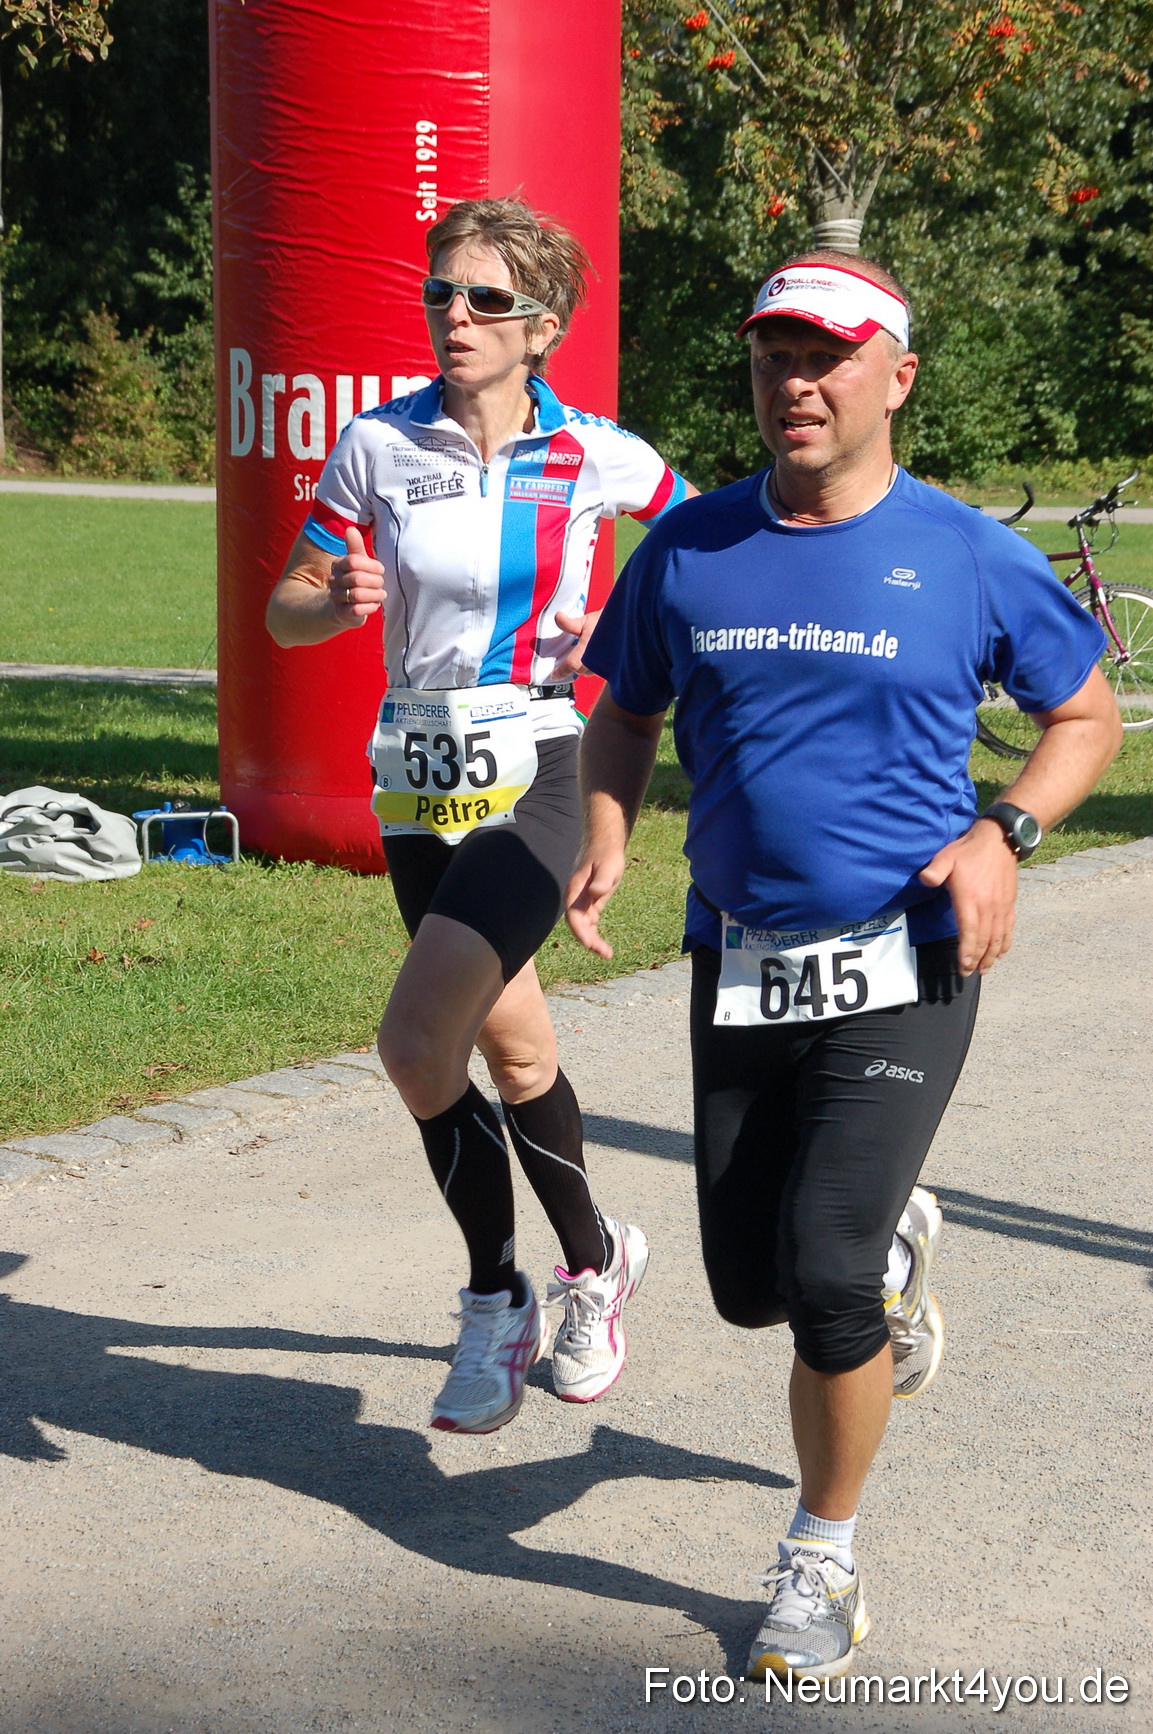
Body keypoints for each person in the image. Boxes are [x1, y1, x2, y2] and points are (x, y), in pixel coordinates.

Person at [567, 252, 1121, 1680]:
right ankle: (888, 1247)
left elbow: (1084, 715)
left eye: (826, 357)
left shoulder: (963, 552)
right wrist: (613, 831)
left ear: (897, 378)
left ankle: (821, 1555)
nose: (794, 384)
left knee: (817, 1276)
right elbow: (623, 711)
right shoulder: (685, 548)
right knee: (750, 1288)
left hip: (907, 958)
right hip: (737, 959)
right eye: (772, 357)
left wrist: (1003, 831)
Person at [266, 197, 695, 1436]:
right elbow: (282, 611)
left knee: (413, 1045)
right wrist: (331, 598)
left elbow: (708, 554)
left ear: (542, 324)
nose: (454, 316)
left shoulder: (596, 454)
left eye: (485, 299)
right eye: (440, 294)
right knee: (507, 1052)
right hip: (413, 778)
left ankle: (493, 1296)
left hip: (537, 764)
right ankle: (596, 1260)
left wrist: (611, 631)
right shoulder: (375, 445)